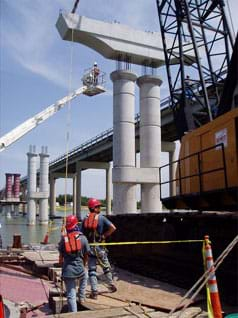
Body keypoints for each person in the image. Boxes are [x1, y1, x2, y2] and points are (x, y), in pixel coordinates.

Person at [81, 198, 117, 299]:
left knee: (92, 270)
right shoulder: (102, 218)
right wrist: (104, 236)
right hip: (100, 248)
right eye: (98, 206)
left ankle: (94, 292)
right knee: (106, 267)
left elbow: (81, 235)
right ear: (95, 208)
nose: (100, 208)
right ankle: (111, 285)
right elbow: (113, 228)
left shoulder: (85, 219)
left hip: (90, 248)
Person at [58, 215, 90, 312]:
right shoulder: (83, 239)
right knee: (85, 275)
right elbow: (86, 255)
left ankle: (73, 314)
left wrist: (61, 266)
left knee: (71, 296)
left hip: (68, 271)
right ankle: (81, 296)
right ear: (77, 225)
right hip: (80, 268)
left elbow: (60, 258)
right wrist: (83, 265)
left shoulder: (63, 240)